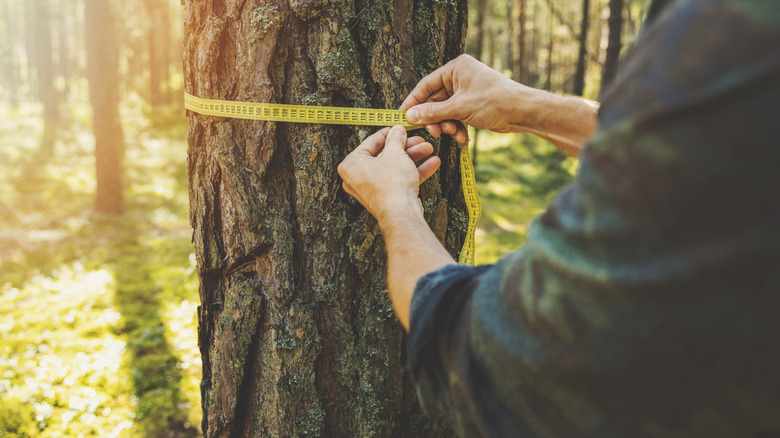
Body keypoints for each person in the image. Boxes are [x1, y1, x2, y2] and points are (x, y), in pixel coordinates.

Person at [338, 0, 780, 436]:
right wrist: (528, 107)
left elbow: (499, 358)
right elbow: (701, 154)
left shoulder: (729, 28)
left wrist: (396, 206)